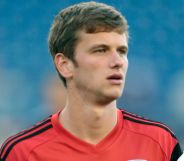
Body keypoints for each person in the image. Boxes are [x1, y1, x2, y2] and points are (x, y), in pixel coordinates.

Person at [0, 1, 182, 161]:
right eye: (100, 50)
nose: (117, 61)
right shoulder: (21, 152)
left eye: (122, 51)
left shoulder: (160, 142)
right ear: (64, 65)